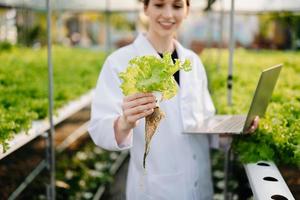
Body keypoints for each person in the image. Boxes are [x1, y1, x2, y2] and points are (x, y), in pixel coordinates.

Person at [88, 0, 259, 199]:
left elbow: (203, 123)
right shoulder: (119, 62)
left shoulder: (192, 61)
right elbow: (99, 128)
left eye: (177, 6)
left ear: (187, 11)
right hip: (155, 189)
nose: (168, 14)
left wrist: (233, 129)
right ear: (145, 8)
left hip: (199, 184)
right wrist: (125, 122)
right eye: (159, 5)